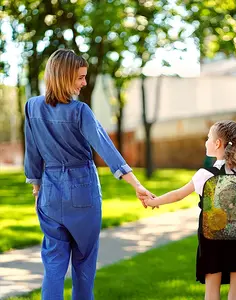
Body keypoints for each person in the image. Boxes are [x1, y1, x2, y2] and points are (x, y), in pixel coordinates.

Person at [24, 49, 153, 300]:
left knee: (53, 264)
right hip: (82, 191)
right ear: (64, 77)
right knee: (83, 264)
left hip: (49, 193)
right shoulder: (79, 111)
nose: (84, 83)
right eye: (80, 77)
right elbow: (107, 148)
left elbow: (32, 153)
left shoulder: (32, 107)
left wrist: (37, 189)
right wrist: (136, 184)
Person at [145, 120, 236, 300]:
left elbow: (178, 195)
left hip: (212, 243)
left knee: (211, 294)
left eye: (208, 138)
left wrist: (154, 202)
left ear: (217, 144)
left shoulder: (205, 175)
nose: (206, 142)